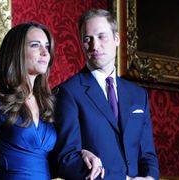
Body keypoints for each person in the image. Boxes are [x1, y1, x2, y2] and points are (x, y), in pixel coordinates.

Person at [53, 9, 159, 180]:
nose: (95, 46)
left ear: (116, 39)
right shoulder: (68, 92)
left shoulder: (138, 95)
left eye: (102, 36)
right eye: (88, 39)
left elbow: (147, 154)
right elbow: (66, 159)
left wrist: (149, 177)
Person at [0, 22, 56, 180]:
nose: (45, 53)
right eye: (35, 45)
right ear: (17, 51)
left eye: (47, 46)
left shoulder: (49, 103)